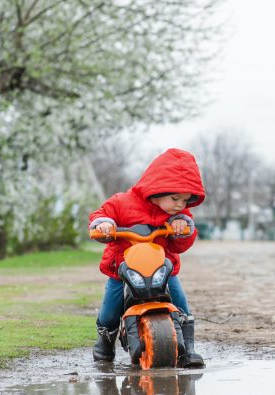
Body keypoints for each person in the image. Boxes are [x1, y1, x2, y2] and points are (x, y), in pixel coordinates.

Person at [88, 148, 206, 368]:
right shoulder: (122, 202)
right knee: (110, 310)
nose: (180, 204)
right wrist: (104, 225)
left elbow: (181, 245)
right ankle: (105, 342)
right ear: (158, 189)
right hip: (122, 269)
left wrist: (183, 228)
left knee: (181, 304)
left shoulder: (178, 216)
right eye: (175, 198)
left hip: (163, 268)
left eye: (185, 200)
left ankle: (188, 349)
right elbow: (100, 214)